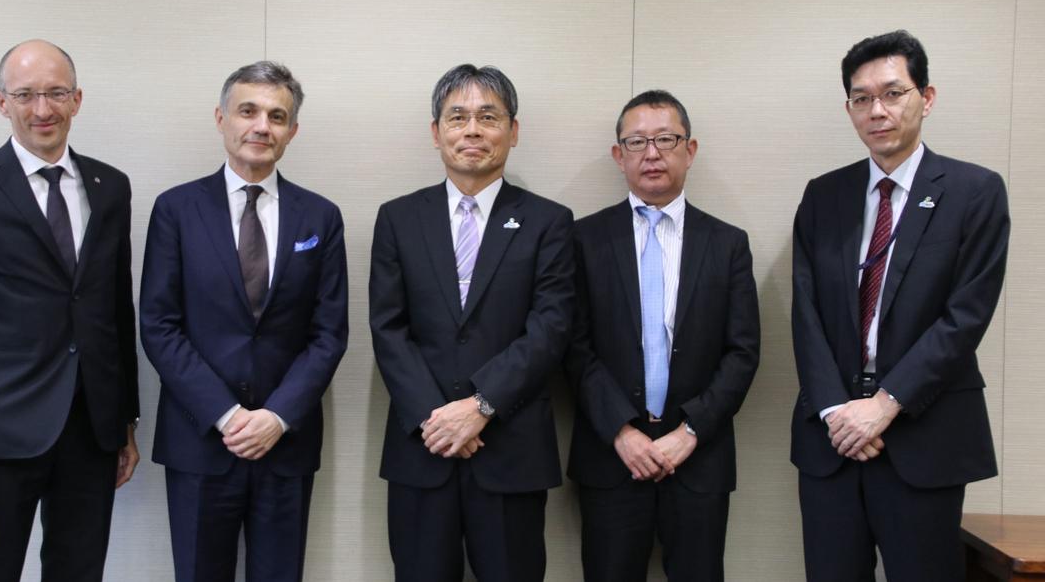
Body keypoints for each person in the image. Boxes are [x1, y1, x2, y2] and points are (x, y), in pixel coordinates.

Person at [0, 39, 140, 582]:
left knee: (79, 571)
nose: (43, 109)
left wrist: (125, 420)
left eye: (56, 93)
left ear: (77, 99)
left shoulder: (110, 187)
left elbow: (115, 308)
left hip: (91, 429)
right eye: (26, 95)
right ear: (1, 102)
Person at [790, 30, 1010, 582]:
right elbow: (806, 311)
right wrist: (835, 413)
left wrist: (884, 405)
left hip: (922, 433)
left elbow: (965, 317)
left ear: (926, 98)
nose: (877, 110)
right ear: (849, 109)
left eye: (893, 93)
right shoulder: (825, 194)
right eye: (862, 99)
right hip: (832, 438)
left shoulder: (974, 191)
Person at [139, 61, 348, 582]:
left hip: (285, 442)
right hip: (201, 440)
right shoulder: (176, 209)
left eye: (277, 116)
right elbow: (159, 325)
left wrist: (275, 417)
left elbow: (329, 334)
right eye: (248, 111)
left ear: (292, 131)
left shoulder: (319, 217)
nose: (262, 126)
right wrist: (228, 415)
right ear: (221, 118)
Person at [369, 64, 574, 582]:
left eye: (489, 116)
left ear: (514, 130)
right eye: (457, 117)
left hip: (510, 448)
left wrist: (482, 406)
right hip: (424, 446)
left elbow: (550, 327)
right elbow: (387, 328)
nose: (473, 130)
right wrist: (435, 419)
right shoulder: (398, 218)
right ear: (436, 132)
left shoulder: (548, 221)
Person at [564, 90, 760, 581]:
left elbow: (742, 352)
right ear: (619, 155)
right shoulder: (584, 239)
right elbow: (572, 346)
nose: (651, 153)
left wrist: (689, 433)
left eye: (666, 139)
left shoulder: (727, 244)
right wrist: (621, 432)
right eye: (636, 142)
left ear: (689, 150)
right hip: (611, 458)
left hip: (699, 458)